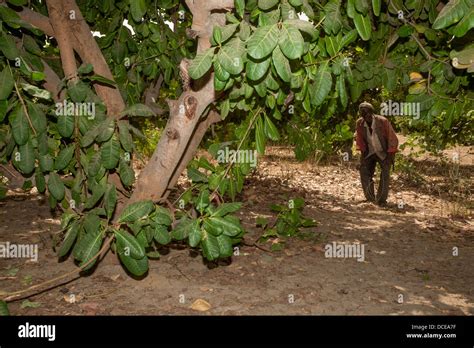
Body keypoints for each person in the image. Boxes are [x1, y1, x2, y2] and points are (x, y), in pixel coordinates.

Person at [355, 101, 399, 206]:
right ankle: (370, 198)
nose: (366, 115)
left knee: (385, 174)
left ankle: (381, 200)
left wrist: (390, 155)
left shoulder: (383, 121)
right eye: (363, 113)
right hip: (369, 152)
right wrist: (362, 155)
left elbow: (392, 138)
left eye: (367, 112)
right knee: (364, 170)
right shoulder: (359, 123)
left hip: (384, 152)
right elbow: (360, 139)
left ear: (372, 112)